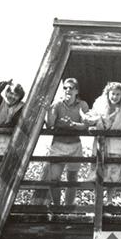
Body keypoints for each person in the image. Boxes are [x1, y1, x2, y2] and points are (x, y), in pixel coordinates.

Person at [35, 78, 89, 207]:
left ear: (77, 90)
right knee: (54, 179)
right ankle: (58, 207)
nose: (68, 90)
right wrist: (48, 111)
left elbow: (86, 125)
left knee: (72, 180)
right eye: (65, 88)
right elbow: (50, 125)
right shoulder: (57, 104)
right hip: (58, 145)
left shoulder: (83, 105)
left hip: (75, 145)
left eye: (71, 88)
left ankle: (68, 209)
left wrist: (73, 125)